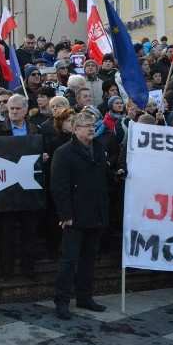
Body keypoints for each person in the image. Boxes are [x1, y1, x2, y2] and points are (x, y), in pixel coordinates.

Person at [50, 111, 110, 319]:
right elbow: (59, 186)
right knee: (69, 259)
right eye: (86, 125)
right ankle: (62, 300)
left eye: (93, 125)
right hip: (74, 216)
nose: (91, 128)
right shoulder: (64, 153)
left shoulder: (99, 149)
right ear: (75, 130)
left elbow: (104, 180)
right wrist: (65, 213)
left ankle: (85, 297)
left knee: (89, 258)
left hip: (96, 213)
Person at [0, 94, 46, 281]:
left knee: (30, 232)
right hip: (7, 191)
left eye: (17, 108)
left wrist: (43, 157)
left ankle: (28, 270)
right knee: (7, 234)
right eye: (10, 108)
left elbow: (43, 152)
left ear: (25, 110)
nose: (13, 111)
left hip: (29, 189)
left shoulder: (36, 130)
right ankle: (6, 272)